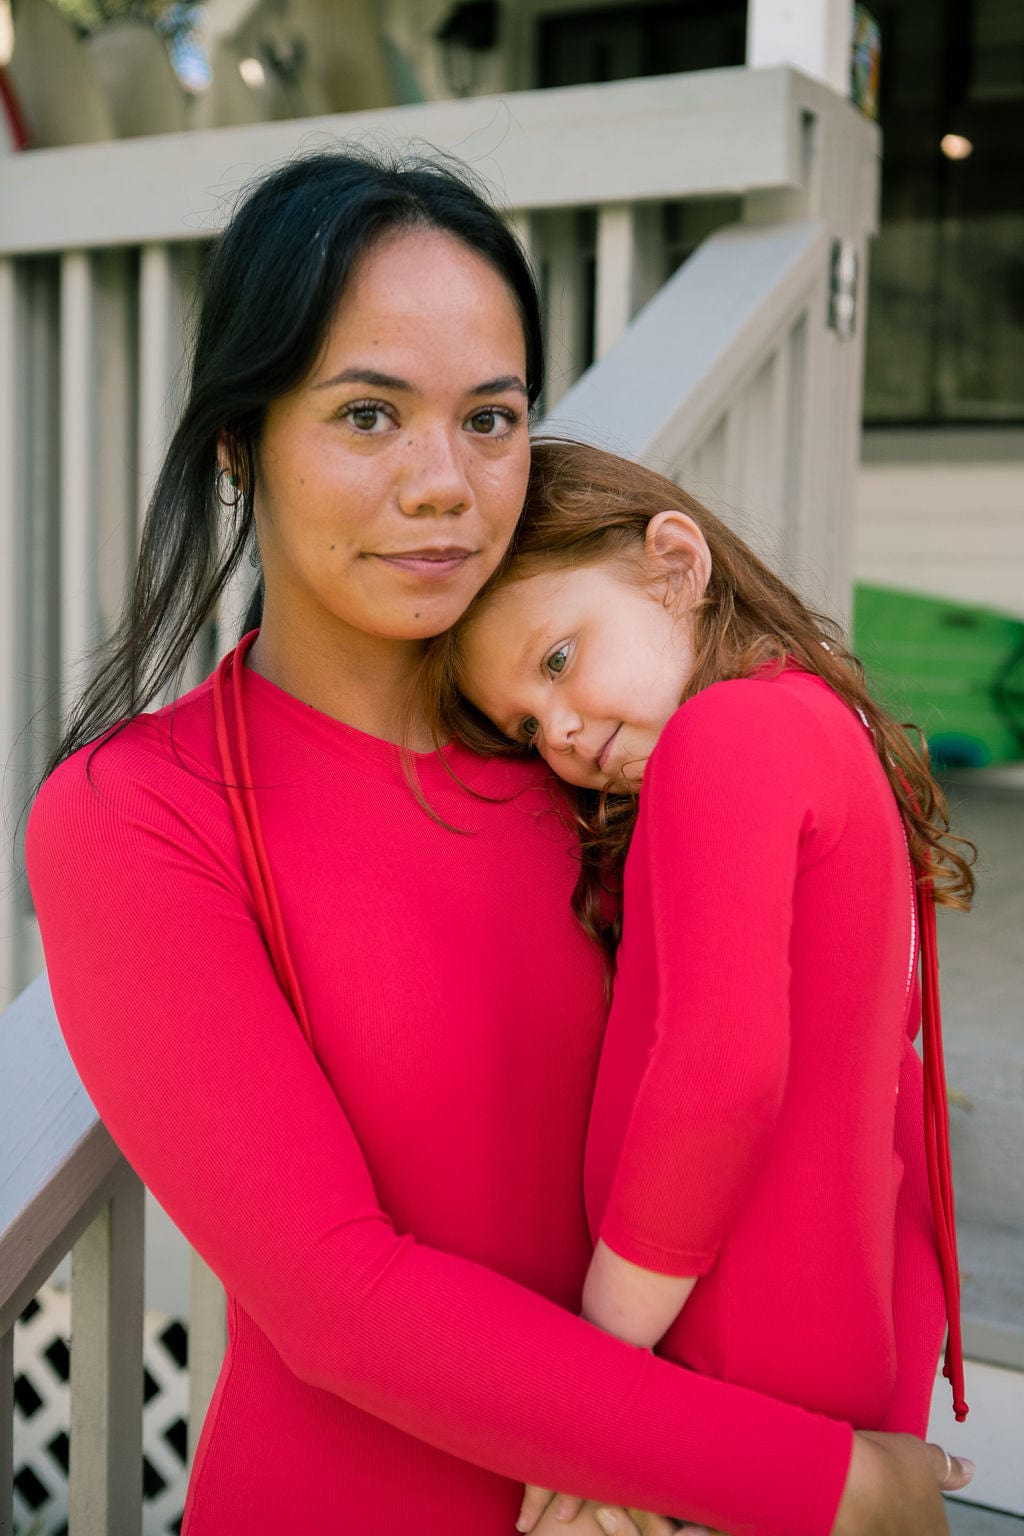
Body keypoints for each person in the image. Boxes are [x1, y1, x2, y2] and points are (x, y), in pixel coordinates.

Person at [25, 150, 971, 1536]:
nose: (445, 485)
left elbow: (839, 1081)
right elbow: (339, 1301)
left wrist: (859, 1425)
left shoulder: (604, 754)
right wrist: (827, 1486)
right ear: (240, 442)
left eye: (491, 417)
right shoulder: (143, 815)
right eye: (367, 414)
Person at [435, 436, 975, 1531]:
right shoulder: (821, 726)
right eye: (528, 728)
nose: (564, 735)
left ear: (676, 564)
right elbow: (887, 1092)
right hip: (829, 1339)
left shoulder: (719, 740)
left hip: (731, 1353)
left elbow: (719, 1076)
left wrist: (601, 1367)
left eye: (555, 661)